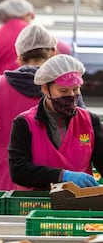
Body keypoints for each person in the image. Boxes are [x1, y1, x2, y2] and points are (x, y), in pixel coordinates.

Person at [0, 24, 59, 190]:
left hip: (6, 179)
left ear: (19, 57)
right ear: (53, 53)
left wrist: (4, 140)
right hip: (52, 181)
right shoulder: (63, 87)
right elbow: (81, 128)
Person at [8, 54, 103, 190]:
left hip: (79, 204)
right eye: (63, 90)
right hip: (36, 205)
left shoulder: (90, 121)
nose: (71, 95)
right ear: (46, 89)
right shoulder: (24, 123)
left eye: (76, 89)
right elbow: (18, 171)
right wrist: (62, 176)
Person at [0, 0, 71, 75]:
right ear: (25, 15)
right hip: (35, 84)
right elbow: (66, 50)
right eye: (31, 16)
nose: (32, 19)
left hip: (1, 88)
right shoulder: (36, 34)